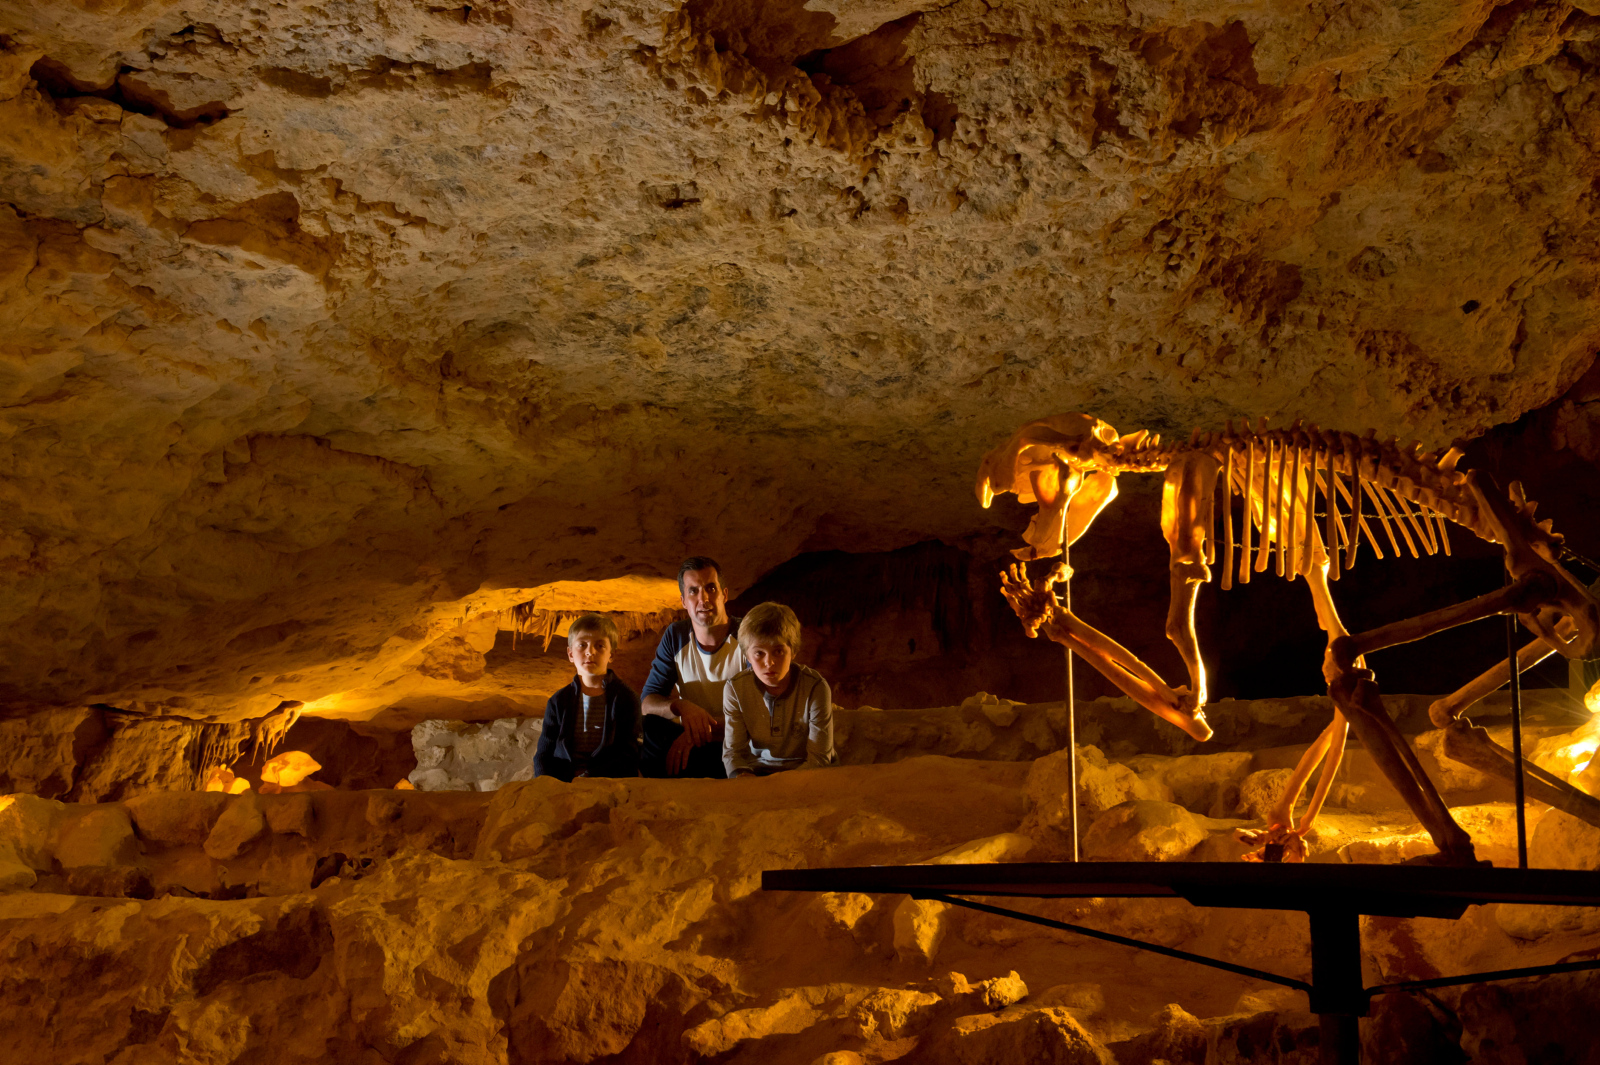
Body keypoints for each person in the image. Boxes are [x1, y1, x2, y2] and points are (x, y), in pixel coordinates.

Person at [640, 557, 744, 778]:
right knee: (651, 725)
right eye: (693, 591)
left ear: (724, 595)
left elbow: (766, 713)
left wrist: (701, 732)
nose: (703, 599)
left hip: (738, 739)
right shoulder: (676, 636)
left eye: (710, 588)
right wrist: (680, 706)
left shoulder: (747, 635)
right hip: (696, 739)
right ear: (683, 601)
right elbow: (647, 703)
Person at [722, 601, 838, 776]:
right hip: (758, 773)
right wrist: (744, 778)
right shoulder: (736, 689)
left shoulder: (815, 687)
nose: (769, 662)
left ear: (793, 651)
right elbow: (733, 753)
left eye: (778, 651)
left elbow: (819, 758)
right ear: (748, 656)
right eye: (759, 653)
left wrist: (779, 785)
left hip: (807, 774)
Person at [533, 613, 640, 781]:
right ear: (570, 654)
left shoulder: (626, 699)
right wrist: (543, 781)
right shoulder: (559, 702)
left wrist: (589, 777)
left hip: (609, 781)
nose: (590, 652)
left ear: (611, 654)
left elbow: (629, 753)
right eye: (582, 645)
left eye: (599, 646)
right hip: (563, 782)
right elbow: (544, 752)